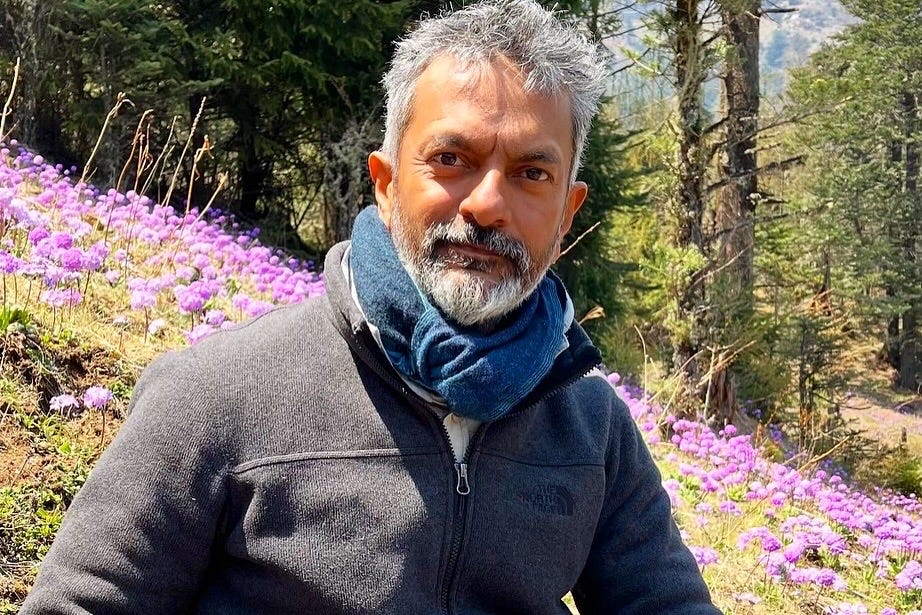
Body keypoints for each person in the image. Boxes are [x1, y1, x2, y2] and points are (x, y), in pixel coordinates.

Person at [21, 1, 721, 613]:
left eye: (531, 173)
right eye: (451, 159)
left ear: (566, 213)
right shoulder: (217, 395)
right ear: (385, 185)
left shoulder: (593, 428)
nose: (486, 204)